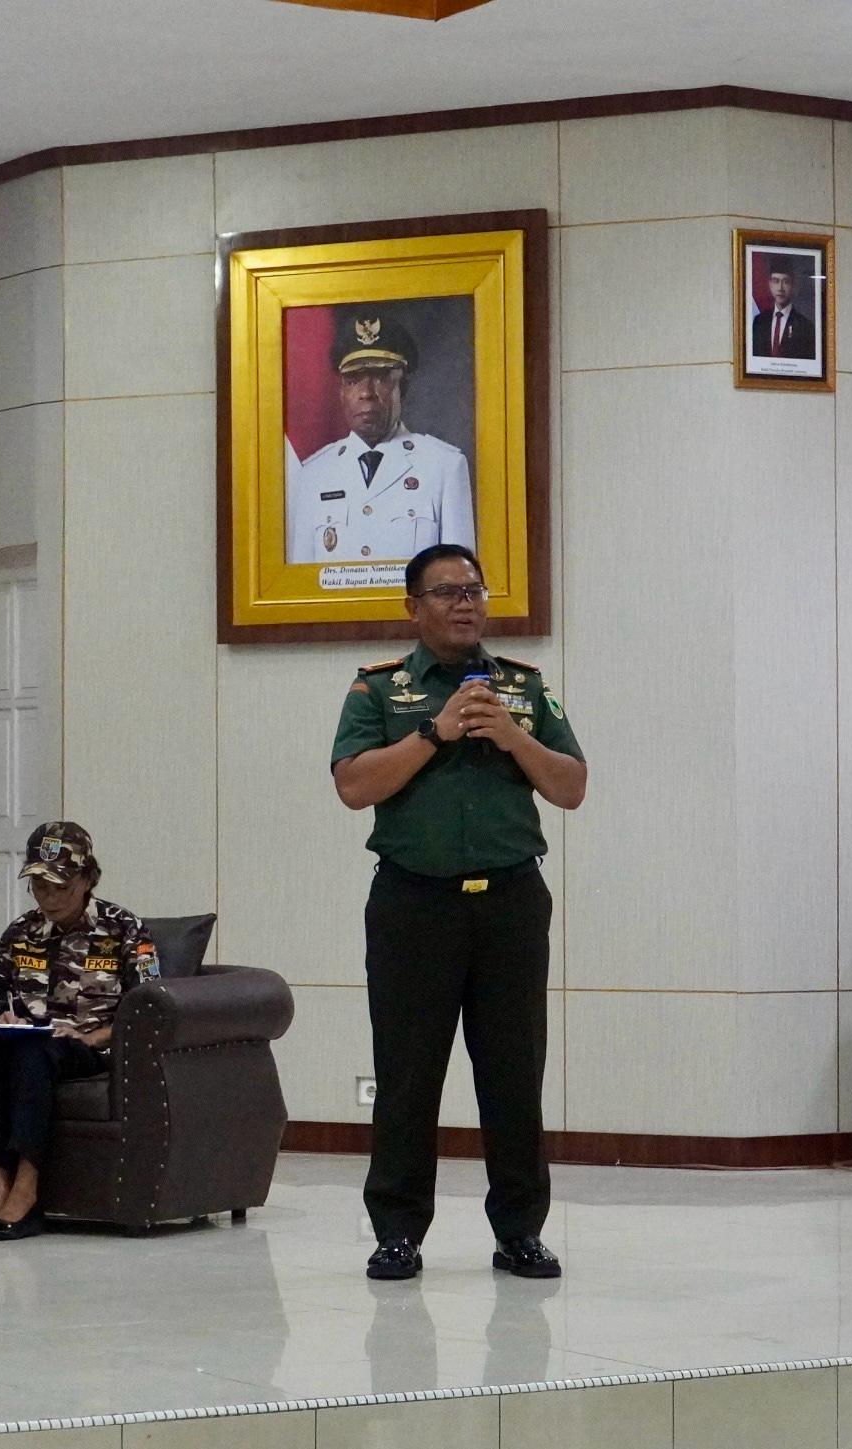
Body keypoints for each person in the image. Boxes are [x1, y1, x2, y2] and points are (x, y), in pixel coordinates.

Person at [330, 544, 587, 1283]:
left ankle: (520, 1231)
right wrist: (435, 731)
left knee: (514, 1072)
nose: (464, 603)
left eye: (473, 589)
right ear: (413, 608)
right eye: (445, 592)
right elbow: (353, 787)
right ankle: (398, 1232)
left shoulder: (523, 687)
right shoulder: (378, 689)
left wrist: (513, 736)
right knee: (407, 1074)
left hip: (510, 902)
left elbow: (571, 787)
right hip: (414, 903)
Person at [0, 822, 160, 1242]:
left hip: (88, 1047)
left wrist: (95, 1037)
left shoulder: (125, 929)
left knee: (36, 1054)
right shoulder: (20, 932)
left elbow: (151, 1005)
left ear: (88, 878)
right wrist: (2, 1019)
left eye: (61, 887)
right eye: (40, 887)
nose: (49, 898)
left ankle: (26, 1191)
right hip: (26, 1041)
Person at [286, 309, 475, 566]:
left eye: (380, 378)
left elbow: (457, 579)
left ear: (402, 388)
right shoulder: (314, 474)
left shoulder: (444, 467)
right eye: (353, 380)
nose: (366, 393)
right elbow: (302, 584)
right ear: (341, 393)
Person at [751, 261, 815, 361]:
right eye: (776, 281)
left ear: (793, 286)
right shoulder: (759, 321)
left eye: (786, 282)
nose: (780, 288)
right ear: (770, 284)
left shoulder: (805, 326)